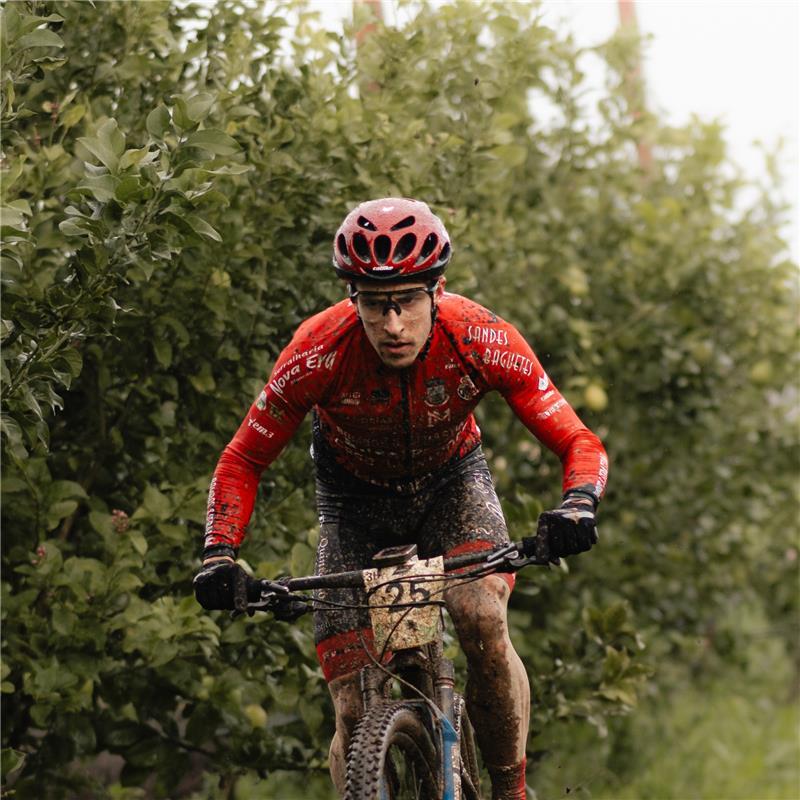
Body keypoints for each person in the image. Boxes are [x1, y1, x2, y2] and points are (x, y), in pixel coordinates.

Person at [193, 198, 608, 800]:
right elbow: (242, 459)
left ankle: (511, 791)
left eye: (407, 301)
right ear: (352, 298)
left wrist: (578, 503)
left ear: (437, 291)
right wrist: (219, 554)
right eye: (374, 304)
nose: (392, 325)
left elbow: (577, 439)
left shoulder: (480, 337)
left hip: (452, 487)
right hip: (352, 506)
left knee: (480, 616)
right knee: (350, 703)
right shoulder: (317, 350)